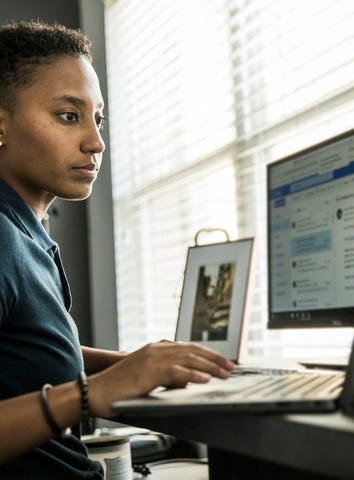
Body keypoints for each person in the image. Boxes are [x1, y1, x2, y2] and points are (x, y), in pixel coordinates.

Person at [0, 20, 234, 479]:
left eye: (97, 118)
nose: (96, 141)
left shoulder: (23, 231)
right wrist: (91, 395)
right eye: (69, 115)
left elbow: (23, 349)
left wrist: (132, 363)